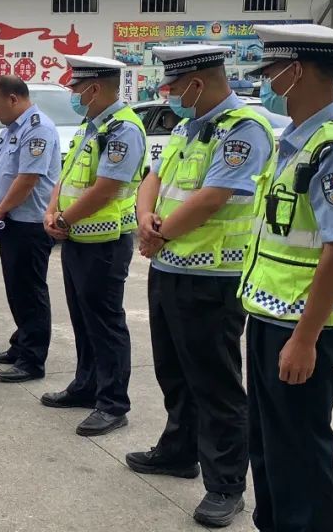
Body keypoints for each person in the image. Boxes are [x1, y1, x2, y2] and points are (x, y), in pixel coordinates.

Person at [128, 45, 276, 528]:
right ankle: (178, 451)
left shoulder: (243, 130)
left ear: (197, 83)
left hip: (213, 278)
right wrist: (145, 218)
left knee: (216, 384)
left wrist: (159, 234)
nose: (167, 94)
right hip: (170, 269)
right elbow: (152, 179)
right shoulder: (188, 128)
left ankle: (226, 485)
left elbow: (214, 197)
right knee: (174, 371)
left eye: (172, 87)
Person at [239, 24, 333, 532]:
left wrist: (304, 339)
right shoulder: (296, 140)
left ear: (295, 72)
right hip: (271, 312)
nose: (266, 83)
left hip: (302, 325)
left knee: (300, 448)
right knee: (269, 442)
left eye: (271, 71)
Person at [41, 56, 146, 437]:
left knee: (105, 323)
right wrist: (52, 210)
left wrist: (64, 220)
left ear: (95, 88)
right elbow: (65, 175)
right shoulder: (92, 126)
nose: (73, 95)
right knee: (83, 320)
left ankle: (113, 404)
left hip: (104, 244)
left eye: (76, 89)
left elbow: (107, 188)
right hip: (76, 239)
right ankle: (86, 385)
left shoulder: (123, 130)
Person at [0, 75, 60, 383]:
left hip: (30, 224)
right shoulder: (10, 130)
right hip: (11, 220)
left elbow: (28, 179)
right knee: (16, 288)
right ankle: (21, 343)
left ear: (13, 99)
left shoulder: (38, 129)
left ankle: (32, 359)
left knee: (30, 291)